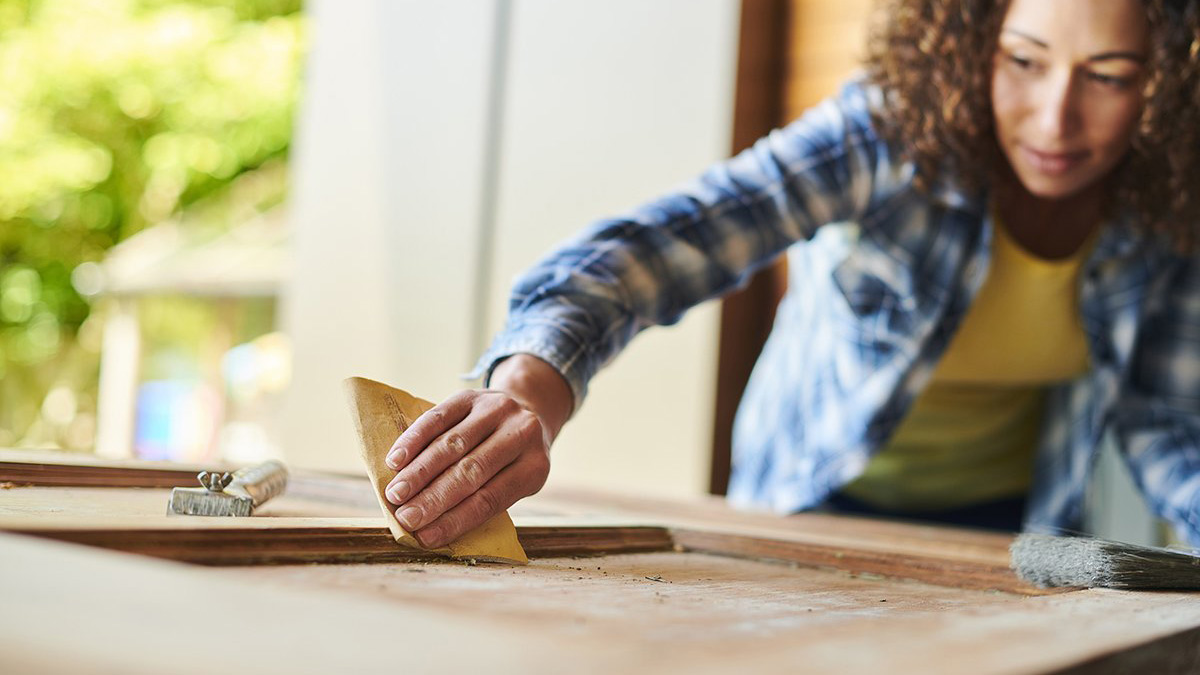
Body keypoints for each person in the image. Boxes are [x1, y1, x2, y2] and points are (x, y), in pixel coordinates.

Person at [382, 0, 1200, 549]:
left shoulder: (1166, 199)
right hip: (806, 511)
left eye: (1108, 76)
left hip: (1006, 530)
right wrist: (530, 387)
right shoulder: (886, 135)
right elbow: (655, 250)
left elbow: (1164, 418)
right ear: (970, 44)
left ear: (1164, 83)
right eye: (1024, 60)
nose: (1056, 116)